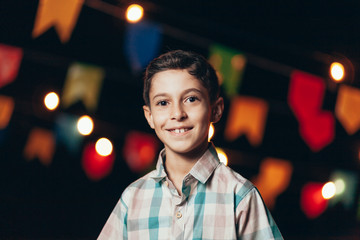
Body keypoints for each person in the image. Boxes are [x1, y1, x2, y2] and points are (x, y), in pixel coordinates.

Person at [98, 50, 283, 239]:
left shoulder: (240, 197)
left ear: (216, 110)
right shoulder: (133, 198)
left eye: (191, 99)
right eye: (163, 102)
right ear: (150, 116)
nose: (177, 113)